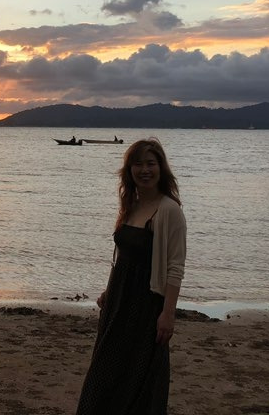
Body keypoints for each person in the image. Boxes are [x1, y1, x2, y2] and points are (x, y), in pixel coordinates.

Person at [75, 138, 187, 415]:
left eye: (151, 163)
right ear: (129, 170)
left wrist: (168, 313)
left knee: (140, 380)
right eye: (138, 164)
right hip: (118, 303)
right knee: (103, 376)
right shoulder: (131, 205)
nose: (144, 170)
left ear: (161, 168)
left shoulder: (169, 210)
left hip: (147, 306)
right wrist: (108, 291)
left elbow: (175, 266)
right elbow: (121, 258)